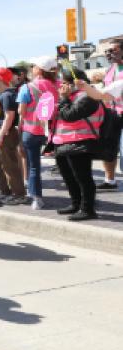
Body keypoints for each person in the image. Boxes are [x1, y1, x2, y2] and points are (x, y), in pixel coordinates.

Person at [53, 68, 104, 221]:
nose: (64, 85)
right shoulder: (72, 95)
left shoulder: (88, 95)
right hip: (64, 142)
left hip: (81, 141)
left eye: (66, 82)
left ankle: (88, 209)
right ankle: (76, 204)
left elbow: (70, 115)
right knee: (69, 176)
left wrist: (64, 98)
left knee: (83, 178)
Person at [16, 56, 59, 210]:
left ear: (39, 70)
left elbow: (21, 111)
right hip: (53, 132)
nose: (31, 67)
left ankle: (37, 198)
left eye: (33, 66)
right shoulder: (57, 86)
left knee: (34, 166)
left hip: (32, 131)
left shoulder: (27, 88)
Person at [0, 68, 27, 204]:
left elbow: (9, 117)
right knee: (6, 165)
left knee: (10, 165)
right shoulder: (4, 94)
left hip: (6, 133)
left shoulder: (7, 95)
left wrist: (0, 135)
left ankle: (19, 195)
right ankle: (11, 193)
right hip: (4, 132)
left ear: (1, 80)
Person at [98, 39, 123, 190]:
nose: (109, 53)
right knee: (107, 147)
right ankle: (110, 181)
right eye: (107, 51)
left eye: (113, 50)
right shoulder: (110, 70)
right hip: (111, 114)